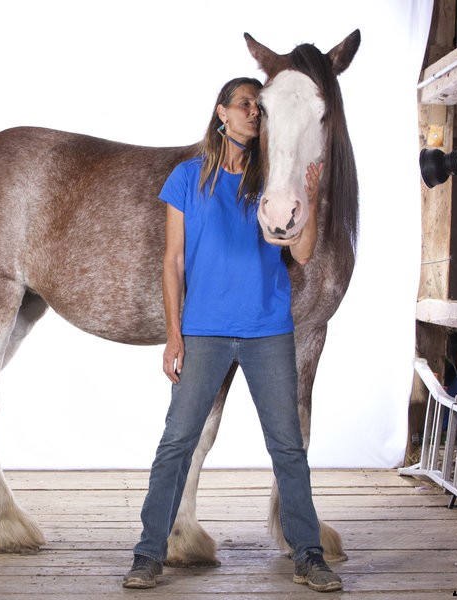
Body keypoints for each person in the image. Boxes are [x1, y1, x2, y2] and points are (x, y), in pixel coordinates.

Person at [122, 77, 342, 593]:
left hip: (268, 331)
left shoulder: (272, 179)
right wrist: (173, 335)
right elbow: (172, 262)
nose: (253, 113)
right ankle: (148, 553)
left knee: (287, 447)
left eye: (257, 107)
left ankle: (307, 555)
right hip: (204, 333)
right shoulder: (186, 178)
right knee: (175, 443)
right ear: (222, 112)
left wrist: (308, 195)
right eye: (245, 104)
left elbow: (303, 253)